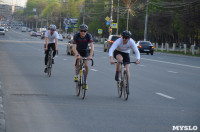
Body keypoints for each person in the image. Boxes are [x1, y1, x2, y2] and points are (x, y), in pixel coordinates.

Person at [72, 24, 94, 90]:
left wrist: (90, 55)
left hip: (85, 51)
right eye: (82, 31)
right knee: (77, 61)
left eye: (85, 31)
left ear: (86, 31)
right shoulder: (76, 36)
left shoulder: (89, 36)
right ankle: (76, 75)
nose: (83, 32)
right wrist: (77, 55)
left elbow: (92, 46)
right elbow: (73, 47)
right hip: (78, 50)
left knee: (86, 65)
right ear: (79, 31)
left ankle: (85, 80)